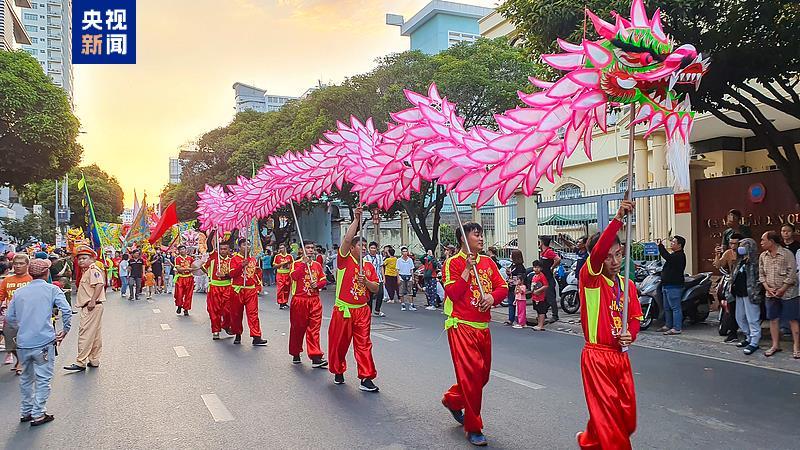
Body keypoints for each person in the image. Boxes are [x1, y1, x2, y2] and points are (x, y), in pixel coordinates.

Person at [576, 200, 643, 450]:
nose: (614, 261)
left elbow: (635, 318)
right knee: (612, 426)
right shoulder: (591, 280)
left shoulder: (628, 286)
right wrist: (617, 219)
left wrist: (630, 335)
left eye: (618, 254)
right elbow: (597, 254)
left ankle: (589, 440)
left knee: (626, 420)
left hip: (621, 358)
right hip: (598, 357)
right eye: (607, 257)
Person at [441, 222, 508, 446]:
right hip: (461, 326)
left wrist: (492, 298)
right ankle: (473, 427)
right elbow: (452, 293)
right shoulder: (452, 263)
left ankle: (453, 400)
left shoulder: (488, 262)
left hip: (483, 328)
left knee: (482, 377)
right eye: (476, 235)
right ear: (463, 238)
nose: (481, 238)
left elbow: (502, 287)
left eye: (481, 235)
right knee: (471, 378)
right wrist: (467, 270)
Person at [5, 258, 71, 426]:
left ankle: (26, 411)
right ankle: (38, 414)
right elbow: (66, 310)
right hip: (44, 342)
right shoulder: (52, 290)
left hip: (23, 343)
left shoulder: (19, 293)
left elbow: (10, 318)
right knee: (43, 379)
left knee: (26, 378)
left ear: (30, 273)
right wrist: (65, 330)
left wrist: (23, 328)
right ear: (46, 273)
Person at [328, 206, 380, 391]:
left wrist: (366, 281)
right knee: (340, 344)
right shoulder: (344, 260)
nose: (364, 249)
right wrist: (357, 220)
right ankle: (338, 370)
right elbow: (347, 238)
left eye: (365, 246)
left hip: (362, 311)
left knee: (364, 344)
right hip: (344, 310)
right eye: (360, 246)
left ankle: (366, 377)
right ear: (351, 248)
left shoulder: (368, 266)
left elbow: (376, 288)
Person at [64, 246, 105, 372]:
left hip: (91, 306)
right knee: (95, 334)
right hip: (93, 305)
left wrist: (92, 300)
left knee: (85, 334)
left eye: (84, 258)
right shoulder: (86, 271)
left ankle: (80, 362)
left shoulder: (93, 269)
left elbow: (99, 284)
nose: (81, 261)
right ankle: (94, 359)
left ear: (92, 259)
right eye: (79, 259)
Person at [759, 231, 800, 358]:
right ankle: (775, 345)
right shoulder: (763, 256)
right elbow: (761, 275)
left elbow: (792, 274)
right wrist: (767, 288)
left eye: (763, 240)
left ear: (771, 241)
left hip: (788, 293)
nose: (761, 243)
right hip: (770, 294)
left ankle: (796, 347)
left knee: (793, 319)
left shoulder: (787, 254)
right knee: (773, 319)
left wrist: (782, 289)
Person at [289, 240, 328, 367]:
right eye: (308, 248)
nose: (310, 250)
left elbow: (323, 280)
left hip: (314, 300)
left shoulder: (317, 265)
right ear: (302, 250)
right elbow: (294, 277)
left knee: (314, 329)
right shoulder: (296, 264)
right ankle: (295, 352)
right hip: (300, 300)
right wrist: (303, 265)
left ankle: (315, 356)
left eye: (312, 248)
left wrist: (318, 284)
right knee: (298, 328)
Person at [229, 239, 269, 346]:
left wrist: (258, 285)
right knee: (236, 314)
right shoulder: (234, 259)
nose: (247, 246)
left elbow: (256, 274)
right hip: (237, 290)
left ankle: (256, 336)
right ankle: (237, 334)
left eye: (248, 244)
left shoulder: (253, 259)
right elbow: (231, 274)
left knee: (253, 314)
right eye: (244, 245)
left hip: (250, 290)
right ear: (239, 247)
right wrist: (241, 265)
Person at [728, 237, 763, 355]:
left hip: (750, 294)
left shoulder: (755, 262)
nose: (741, 248)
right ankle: (748, 337)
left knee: (752, 318)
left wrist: (756, 291)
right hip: (739, 293)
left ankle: (755, 341)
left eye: (744, 245)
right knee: (740, 317)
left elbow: (758, 278)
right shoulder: (739, 261)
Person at [0, 254, 33, 374]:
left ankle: (21, 363)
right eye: (16, 264)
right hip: (11, 318)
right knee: (9, 343)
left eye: (21, 263)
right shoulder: (7, 280)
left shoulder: (32, 280)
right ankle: (20, 359)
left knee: (26, 342)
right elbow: (1, 297)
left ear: (27, 265)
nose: (18, 266)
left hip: (29, 317)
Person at [714, 233, 743, 343]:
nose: (733, 246)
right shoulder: (728, 253)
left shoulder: (746, 253)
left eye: (735, 243)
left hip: (743, 285)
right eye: (731, 243)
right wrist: (717, 254)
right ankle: (733, 333)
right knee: (731, 308)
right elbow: (718, 265)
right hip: (732, 284)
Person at [204, 240, 233, 340]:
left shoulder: (232, 260)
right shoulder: (214, 257)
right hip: (215, 288)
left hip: (228, 287)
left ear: (229, 250)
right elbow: (209, 244)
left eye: (225, 249)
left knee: (228, 310)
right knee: (214, 310)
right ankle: (215, 330)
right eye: (221, 249)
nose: (223, 251)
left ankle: (226, 325)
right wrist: (213, 232)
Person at [657, 236, 687, 335]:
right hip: (666, 285)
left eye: (674, 242)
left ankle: (677, 328)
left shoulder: (679, 256)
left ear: (679, 245)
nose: (671, 244)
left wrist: (660, 246)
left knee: (675, 307)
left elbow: (667, 257)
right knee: (667, 307)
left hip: (674, 286)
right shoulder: (674, 254)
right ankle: (668, 325)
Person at [539, 236, 561, 323]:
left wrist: (552, 267)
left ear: (542, 243)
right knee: (544, 297)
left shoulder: (549, 252)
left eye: (540, 242)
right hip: (543, 278)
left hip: (548, 278)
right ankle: (543, 314)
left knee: (551, 297)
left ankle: (555, 315)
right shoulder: (542, 252)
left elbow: (558, 259)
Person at [504, 250, 526, 326]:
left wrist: (513, 280)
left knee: (518, 305)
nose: (510, 256)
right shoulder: (512, 265)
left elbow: (520, 278)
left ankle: (519, 320)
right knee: (511, 303)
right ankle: (511, 319)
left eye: (511, 254)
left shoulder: (520, 267)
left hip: (516, 288)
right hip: (510, 287)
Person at [363, 242, 386, 317]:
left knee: (381, 294)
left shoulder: (379, 257)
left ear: (376, 249)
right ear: (369, 249)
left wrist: (383, 277)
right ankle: (369, 311)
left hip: (379, 278)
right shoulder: (366, 258)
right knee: (370, 296)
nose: (373, 249)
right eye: (371, 248)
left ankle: (377, 310)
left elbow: (381, 267)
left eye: (374, 248)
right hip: (370, 279)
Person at [173, 245, 195, 316]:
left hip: (189, 278)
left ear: (186, 250)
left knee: (188, 295)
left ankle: (186, 309)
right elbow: (179, 269)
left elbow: (194, 268)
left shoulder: (190, 258)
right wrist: (188, 269)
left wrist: (191, 269)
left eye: (183, 249)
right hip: (180, 278)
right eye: (180, 249)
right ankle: (179, 305)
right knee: (179, 294)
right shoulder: (177, 259)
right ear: (178, 251)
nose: (182, 250)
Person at [529, 260, 549, 331]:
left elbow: (546, 285)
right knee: (538, 310)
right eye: (535, 267)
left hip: (541, 297)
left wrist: (538, 291)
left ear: (541, 268)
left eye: (538, 267)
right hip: (535, 296)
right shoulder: (534, 276)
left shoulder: (542, 276)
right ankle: (538, 324)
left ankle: (541, 325)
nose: (536, 269)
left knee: (541, 311)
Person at [273, 244, 294, 310]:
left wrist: (288, 265)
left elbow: (293, 264)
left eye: (282, 248)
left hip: (287, 274)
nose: (281, 249)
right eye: (280, 248)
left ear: (285, 248)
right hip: (280, 274)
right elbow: (274, 266)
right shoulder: (277, 256)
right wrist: (281, 264)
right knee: (280, 289)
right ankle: (281, 303)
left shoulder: (290, 256)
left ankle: (285, 302)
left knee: (287, 289)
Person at [397, 246, 416, 311]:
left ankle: (411, 304)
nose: (405, 253)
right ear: (401, 252)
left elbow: (411, 269)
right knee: (401, 291)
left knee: (410, 291)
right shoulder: (399, 260)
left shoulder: (410, 260)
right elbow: (397, 270)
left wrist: (413, 278)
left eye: (406, 251)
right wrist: (398, 278)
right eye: (403, 251)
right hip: (401, 276)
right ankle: (403, 304)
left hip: (409, 276)